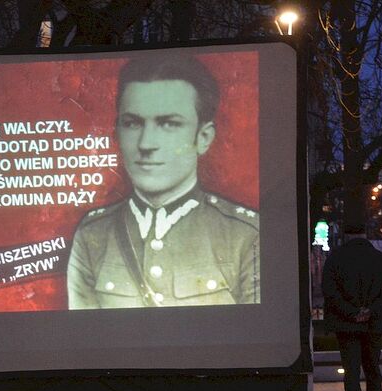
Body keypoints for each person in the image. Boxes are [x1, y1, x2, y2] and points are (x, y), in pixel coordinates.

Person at [67, 54, 259, 309]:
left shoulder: (245, 236)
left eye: (169, 124)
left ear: (203, 137)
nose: (146, 144)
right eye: (132, 123)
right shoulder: (93, 235)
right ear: (117, 133)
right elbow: (86, 330)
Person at [321, 223, 382, 391]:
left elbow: (330, 291)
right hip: (373, 326)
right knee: (373, 371)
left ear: (345, 236)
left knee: (351, 373)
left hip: (346, 326)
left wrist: (352, 312)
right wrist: (370, 311)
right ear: (366, 235)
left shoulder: (335, 259)